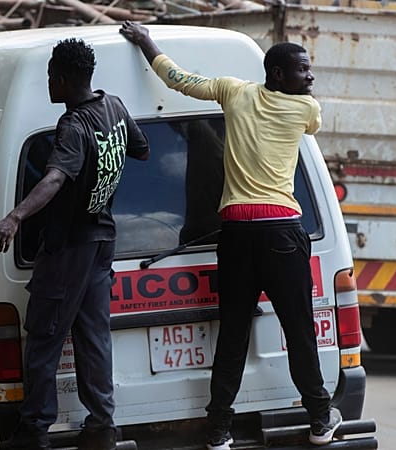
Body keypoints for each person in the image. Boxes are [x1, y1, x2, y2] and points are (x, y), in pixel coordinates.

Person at [119, 22, 343, 450]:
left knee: (233, 334)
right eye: (303, 69)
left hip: (236, 234)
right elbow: (309, 118)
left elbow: (177, 78)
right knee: (299, 331)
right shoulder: (306, 110)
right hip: (281, 233)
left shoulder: (233, 92)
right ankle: (319, 418)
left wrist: (146, 41)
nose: (310, 77)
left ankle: (219, 429)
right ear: (278, 74)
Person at [0, 38, 149, 450]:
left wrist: (14, 217)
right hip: (102, 242)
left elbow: (55, 178)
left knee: (44, 336)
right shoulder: (112, 105)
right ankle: (101, 427)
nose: (48, 85)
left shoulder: (74, 126)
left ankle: (34, 430)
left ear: (61, 79)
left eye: (49, 78)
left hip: (70, 248)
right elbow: (142, 149)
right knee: (94, 337)